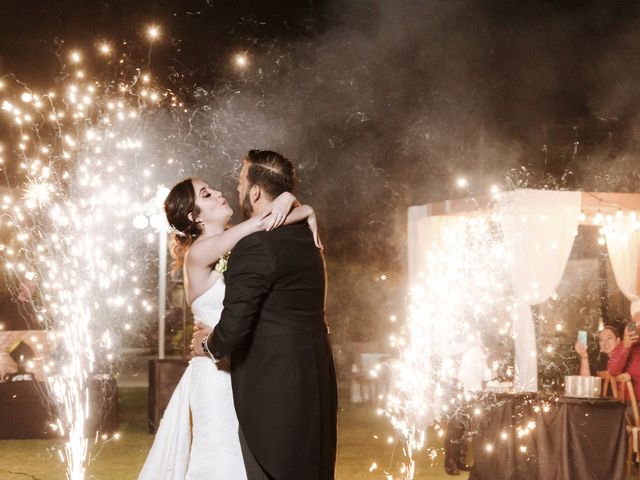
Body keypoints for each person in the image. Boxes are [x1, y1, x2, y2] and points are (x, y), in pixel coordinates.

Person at [138, 174, 320, 480]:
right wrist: (290, 202)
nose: (220, 193)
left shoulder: (234, 244)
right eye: (207, 195)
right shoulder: (198, 253)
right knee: (221, 460)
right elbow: (262, 223)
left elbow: (271, 222)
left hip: (242, 370)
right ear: (195, 217)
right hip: (214, 374)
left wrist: (304, 208)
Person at [192, 149, 338, 480]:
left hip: (275, 392)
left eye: (242, 183)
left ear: (256, 191)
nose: (238, 190)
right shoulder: (306, 235)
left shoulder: (255, 246)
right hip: (316, 379)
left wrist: (206, 345)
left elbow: (233, 328)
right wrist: (298, 203)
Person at [608, 301, 640, 401]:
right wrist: (626, 347)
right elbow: (612, 371)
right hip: (633, 405)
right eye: (637, 323)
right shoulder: (623, 345)